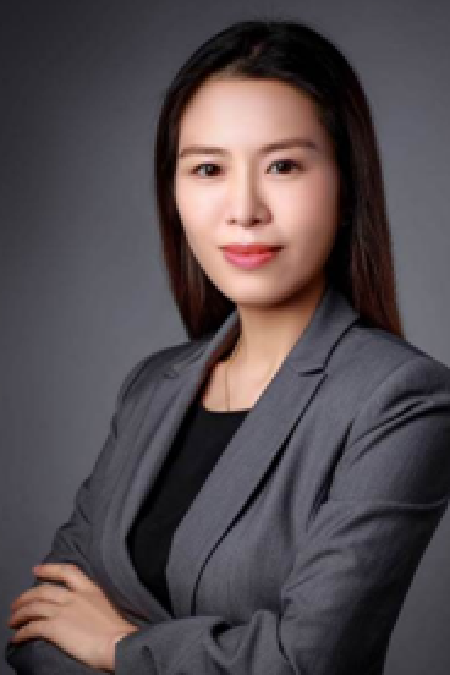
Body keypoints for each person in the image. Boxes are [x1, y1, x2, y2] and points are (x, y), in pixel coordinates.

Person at [5, 18, 450, 675]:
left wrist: (118, 646)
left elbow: (304, 662)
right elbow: (37, 629)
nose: (244, 209)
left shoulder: (400, 400)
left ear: (346, 185)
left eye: (283, 166)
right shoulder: (151, 387)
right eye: (208, 168)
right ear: (174, 194)